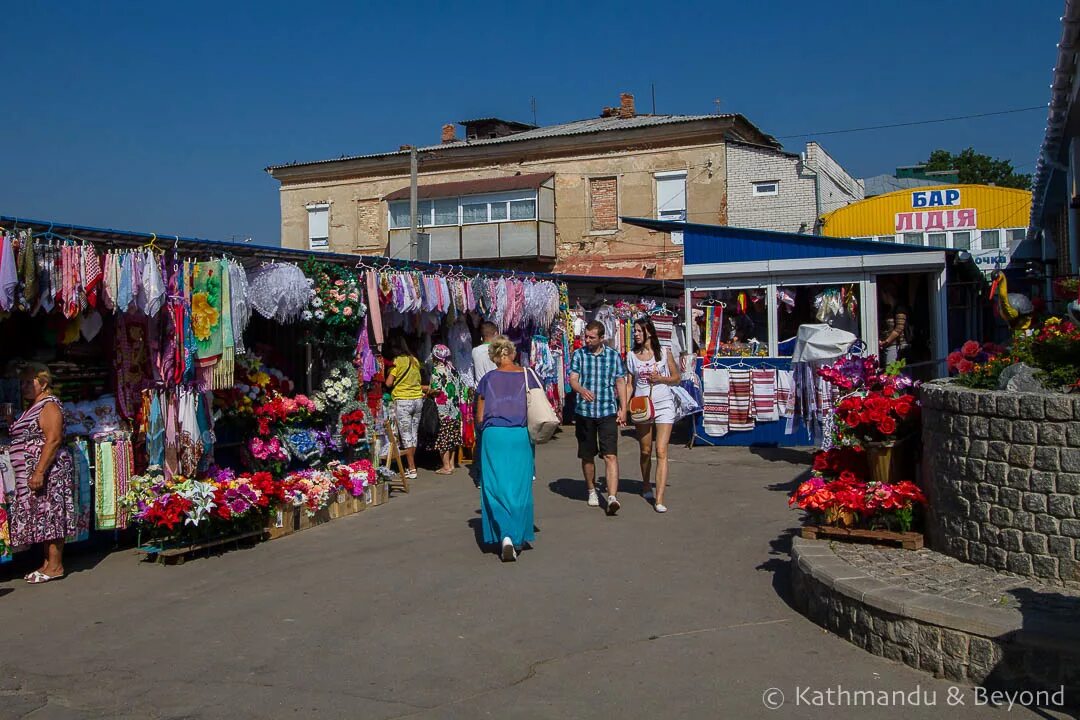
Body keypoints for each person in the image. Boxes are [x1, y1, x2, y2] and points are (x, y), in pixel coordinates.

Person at [8, 363, 75, 584]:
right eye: (22, 383)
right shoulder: (33, 406)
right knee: (43, 517)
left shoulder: (49, 405)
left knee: (51, 515)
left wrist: (39, 472)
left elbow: (53, 439)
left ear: (43, 383)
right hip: (36, 471)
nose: (24, 387)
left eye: (29, 382)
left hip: (49, 471)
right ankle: (47, 563)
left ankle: (55, 566)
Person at [475, 336, 538, 562]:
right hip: (520, 434)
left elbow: (480, 417)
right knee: (520, 485)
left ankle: (505, 535)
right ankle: (516, 534)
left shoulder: (488, 378)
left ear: (494, 357)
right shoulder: (527, 375)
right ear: (512, 353)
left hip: (494, 435)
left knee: (494, 485)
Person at [569, 320, 628, 515]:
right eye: (585, 336)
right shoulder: (579, 355)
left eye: (591, 337)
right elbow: (573, 379)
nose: (587, 340)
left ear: (602, 338)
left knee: (610, 454)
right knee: (587, 455)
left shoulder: (613, 356)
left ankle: (612, 497)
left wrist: (624, 408)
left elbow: (620, 382)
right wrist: (580, 389)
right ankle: (591, 490)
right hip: (585, 412)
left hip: (607, 411)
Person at [624, 318, 680, 513]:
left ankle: (659, 498)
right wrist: (624, 407)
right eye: (635, 332)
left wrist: (661, 378)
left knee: (661, 450)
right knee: (646, 449)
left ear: (649, 332)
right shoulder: (631, 355)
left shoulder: (664, 352)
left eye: (639, 331)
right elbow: (630, 383)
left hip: (664, 403)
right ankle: (646, 483)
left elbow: (676, 378)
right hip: (642, 405)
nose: (636, 334)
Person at [384, 336, 425, 480]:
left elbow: (389, 383)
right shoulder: (414, 360)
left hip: (403, 400)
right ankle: (411, 465)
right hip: (417, 399)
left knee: (406, 435)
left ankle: (412, 467)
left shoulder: (397, 361)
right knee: (413, 434)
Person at [426, 344, 465, 475]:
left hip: (443, 409)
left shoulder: (437, 370)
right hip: (454, 408)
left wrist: (427, 391)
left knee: (443, 437)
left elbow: (436, 390)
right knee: (452, 437)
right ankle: (452, 463)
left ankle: (446, 466)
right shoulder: (453, 369)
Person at [879, 283, 912, 366]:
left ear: (887, 294)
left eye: (882, 294)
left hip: (897, 346)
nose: (881, 297)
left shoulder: (900, 309)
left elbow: (899, 328)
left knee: (893, 370)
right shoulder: (889, 309)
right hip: (890, 346)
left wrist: (886, 341)